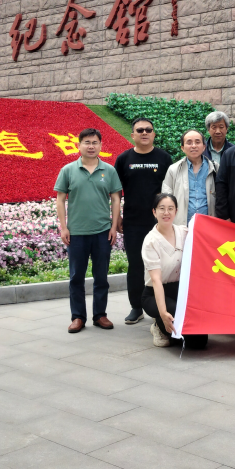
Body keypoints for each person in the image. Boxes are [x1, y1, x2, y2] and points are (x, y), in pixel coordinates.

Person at [54, 128, 122, 334]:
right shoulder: (68, 170)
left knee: (101, 276)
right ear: (79, 145)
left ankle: (100, 315)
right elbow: (60, 199)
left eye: (94, 142)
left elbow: (116, 199)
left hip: (102, 232)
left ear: (100, 145)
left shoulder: (108, 170)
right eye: (87, 142)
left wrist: (113, 226)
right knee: (76, 277)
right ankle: (78, 317)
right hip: (76, 233)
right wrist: (64, 227)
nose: (91, 146)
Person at [115, 117, 172, 326]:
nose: (144, 133)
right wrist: (117, 216)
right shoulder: (124, 159)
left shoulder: (164, 158)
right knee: (136, 265)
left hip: (160, 222)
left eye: (148, 129)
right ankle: (136, 307)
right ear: (133, 135)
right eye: (140, 130)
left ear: (154, 134)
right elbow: (115, 191)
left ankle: (163, 307)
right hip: (133, 222)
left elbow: (170, 190)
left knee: (164, 265)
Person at [141, 193, 208, 349]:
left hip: (180, 290)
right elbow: (156, 280)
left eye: (170, 208)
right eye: (162, 208)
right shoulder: (150, 241)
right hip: (155, 292)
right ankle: (159, 324)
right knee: (174, 319)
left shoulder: (184, 232)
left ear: (176, 211)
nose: (166, 213)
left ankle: (171, 329)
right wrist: (163, 313)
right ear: (154, 212)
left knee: (199, 342)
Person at [162, 129, 217, 222]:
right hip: (182, 225)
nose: (194, 146)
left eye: (197, 142)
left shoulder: (215, 168)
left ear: (204, 147)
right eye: (189, 142)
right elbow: (166, 197)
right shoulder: (173, 169)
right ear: (182, 148)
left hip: (209, 224)